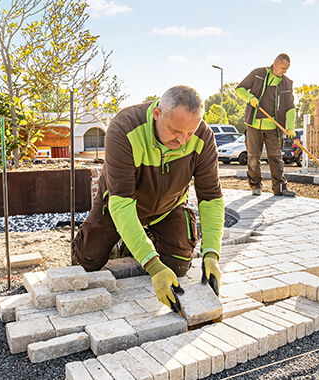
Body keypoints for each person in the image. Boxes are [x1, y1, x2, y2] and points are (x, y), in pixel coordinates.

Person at [71, 85, 224, 311]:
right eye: (174, 131)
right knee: (87, 263)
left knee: (178, 267)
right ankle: (126, 241)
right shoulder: (124, 129)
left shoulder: (203, 136)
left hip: (168, 207)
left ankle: (138, 243)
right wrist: (153, 266)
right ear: (157, 114)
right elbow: (121, 203)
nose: (182, 141)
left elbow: (211, 198)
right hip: (118, 206)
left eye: (190, 132)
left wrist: (212, 254)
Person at [235, 53, 297, 197]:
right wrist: (250, 98)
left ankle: (280, 188)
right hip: (254, 125)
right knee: (253, 156)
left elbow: (290, 106)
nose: (284, 72)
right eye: (283, 68)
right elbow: (240, 89)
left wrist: (290, 127)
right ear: (275, 64)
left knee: (276, 157)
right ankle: (256, 185)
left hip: (273, 127)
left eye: (287, 69)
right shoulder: (258, 74)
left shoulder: (287, 83)